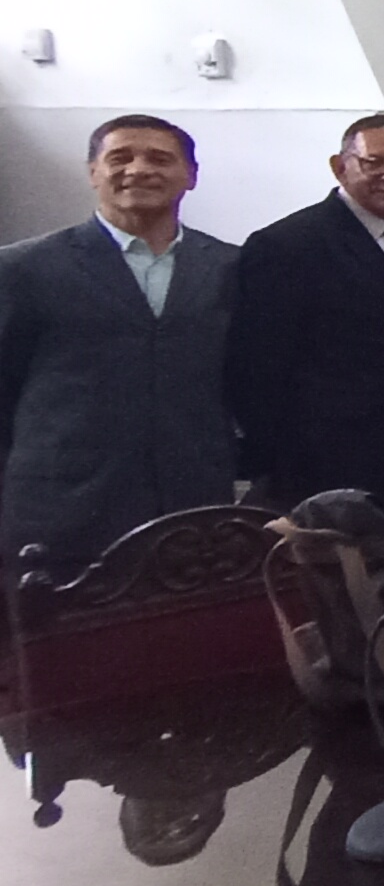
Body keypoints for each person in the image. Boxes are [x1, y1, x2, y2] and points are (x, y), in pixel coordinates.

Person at [0, 116, 239, 565]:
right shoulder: (23, 269)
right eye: (120, 158)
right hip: (62, 511)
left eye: (159, 159)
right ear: (93, 171)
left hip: (194, 505)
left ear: (190, 175)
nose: (139, 169)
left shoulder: (231, 267)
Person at [228, 113, 384, 547]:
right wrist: (279, 467)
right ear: (340, 166)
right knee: (342, 583)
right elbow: (256, 370)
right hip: (327, 467)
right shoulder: (286, 245)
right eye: (375, 162)